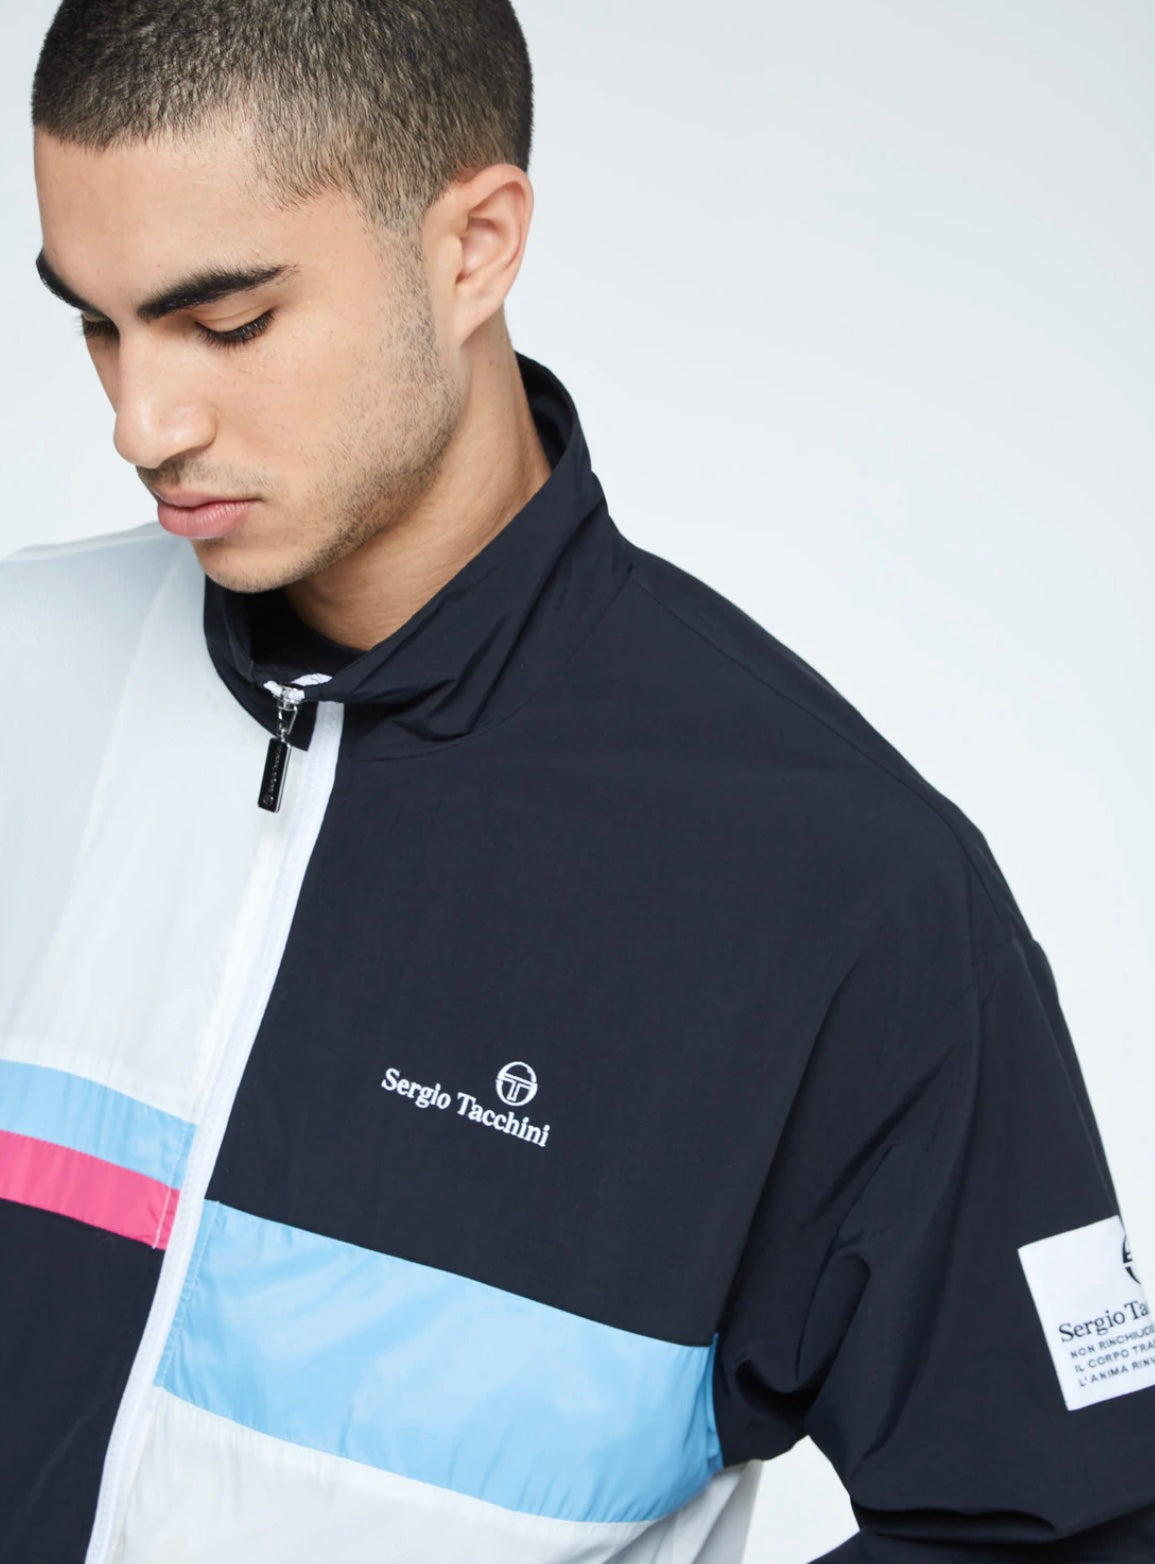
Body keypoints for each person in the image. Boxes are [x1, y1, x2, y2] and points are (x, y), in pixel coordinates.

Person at [2, 1, 1152, 1560]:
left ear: (475, 246)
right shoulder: (18, 675)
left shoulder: (840, 889)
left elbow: (1059, 1527)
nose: (144, 421)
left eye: (229, 322)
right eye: (97, 322)